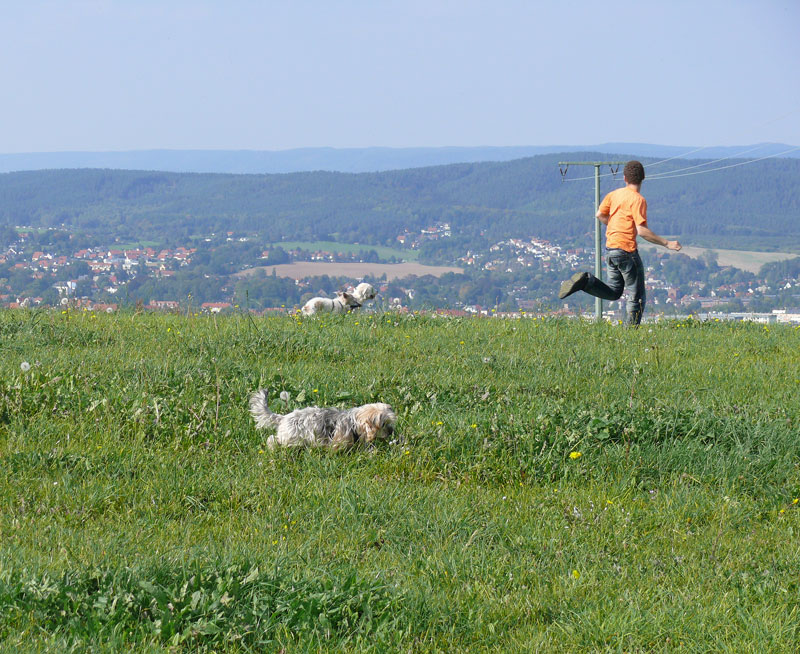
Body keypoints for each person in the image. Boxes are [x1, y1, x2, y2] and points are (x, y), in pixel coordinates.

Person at [558, 160, 681, 325]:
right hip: (626, 251)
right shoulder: (638, 199)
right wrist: (667, 244)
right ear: (643, 178)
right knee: (637, 296)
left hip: (611, 249)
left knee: (614, 291)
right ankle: (631, 332)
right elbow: (642, 231)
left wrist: (614, 226)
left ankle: (586, 282)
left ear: (624, 178)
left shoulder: (614, 194)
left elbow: (600, 215)